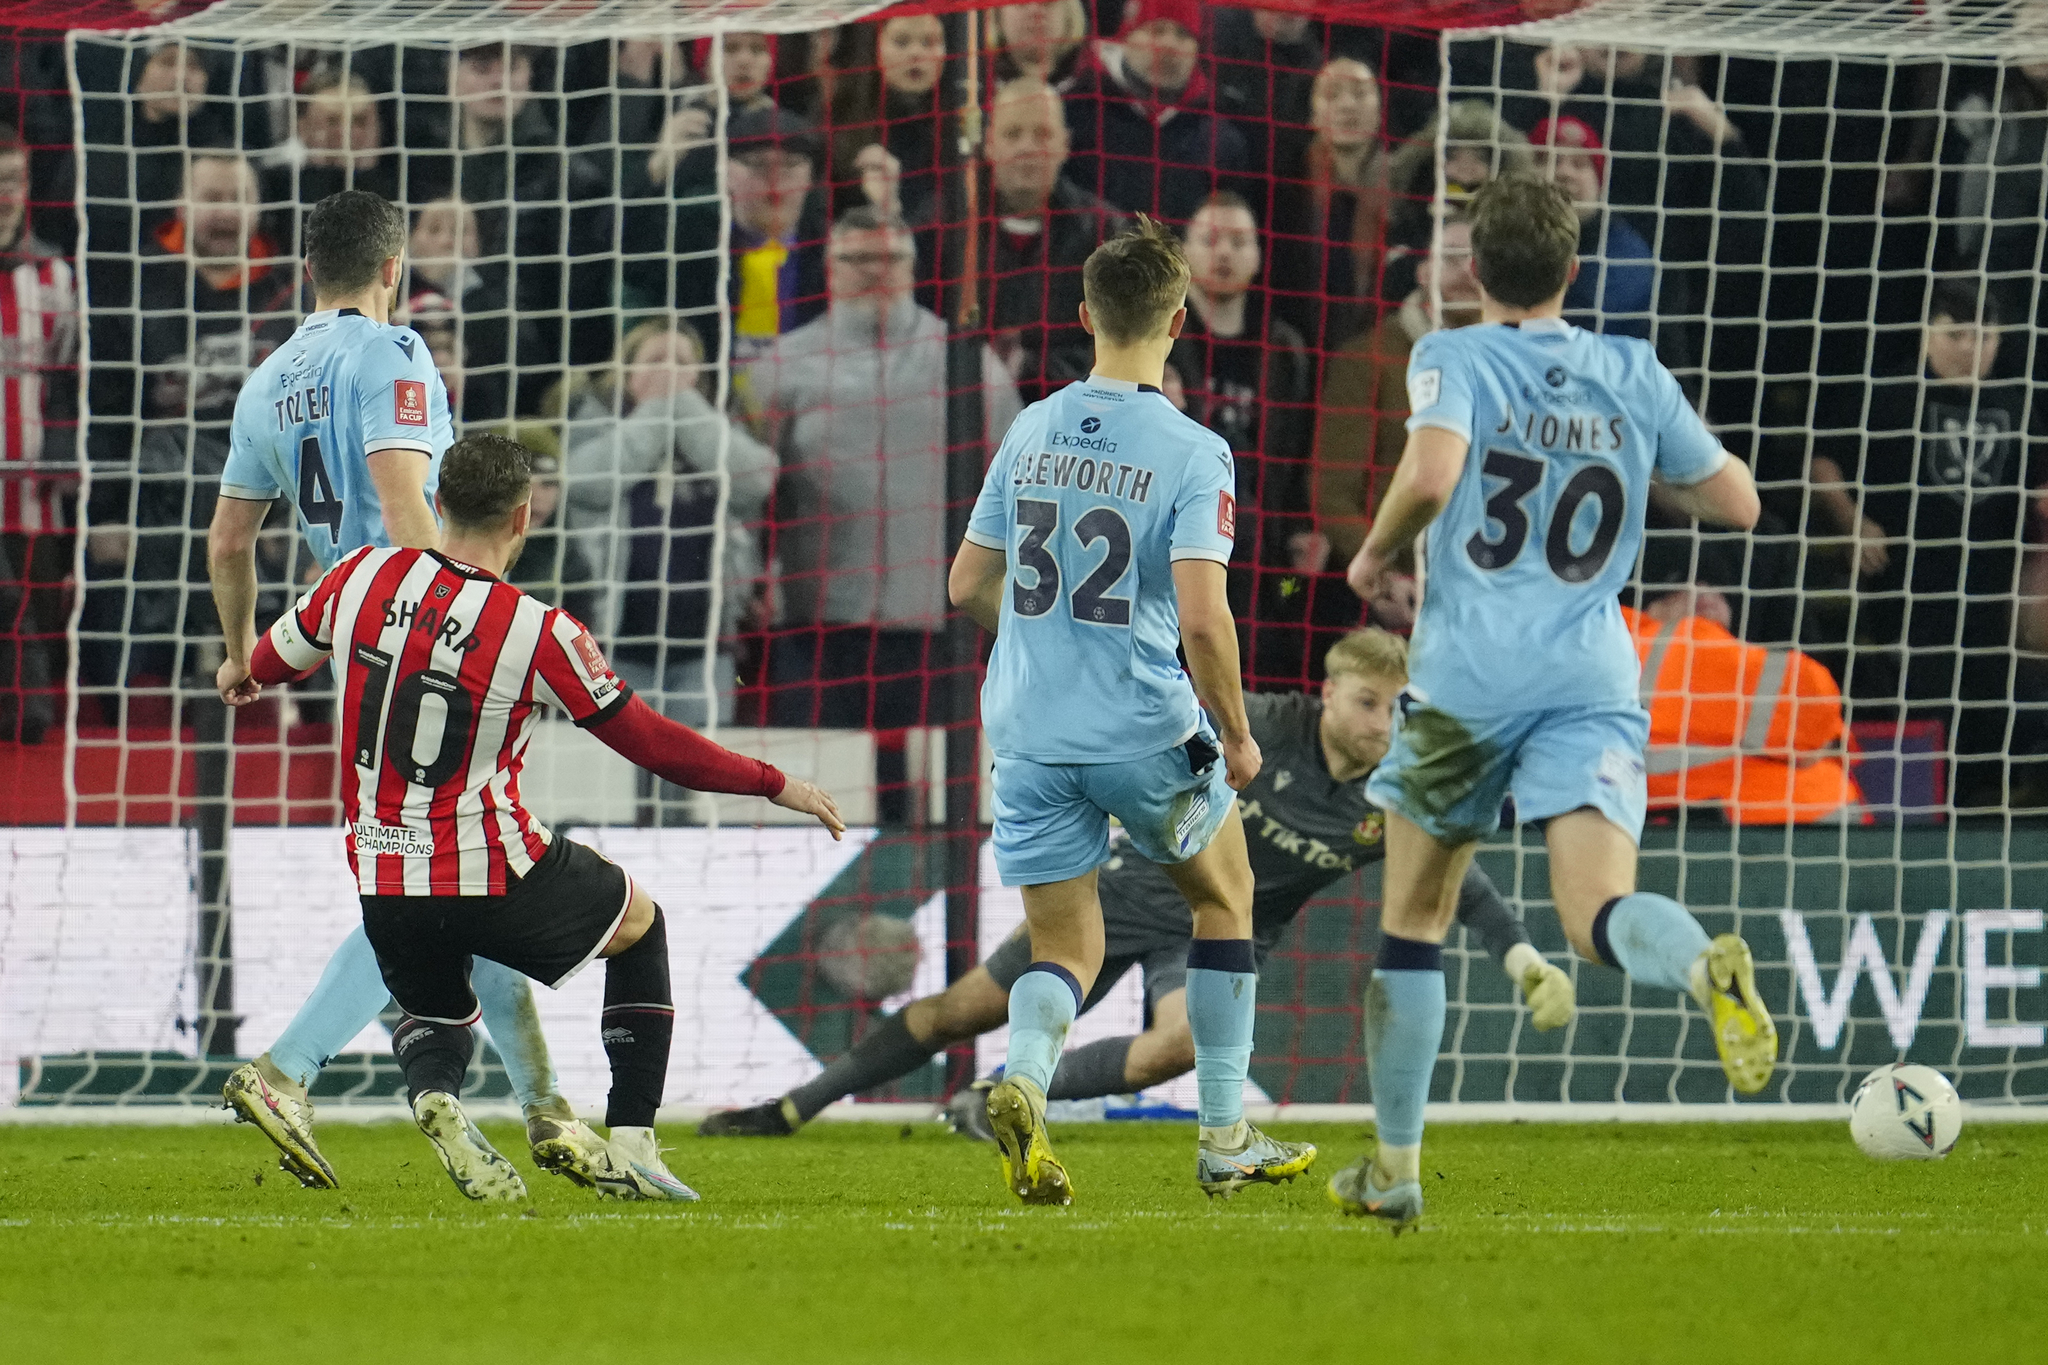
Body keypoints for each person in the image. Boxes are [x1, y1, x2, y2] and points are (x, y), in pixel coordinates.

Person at [229, 433, 845, 1202]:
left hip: (381, 872)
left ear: (437, 503)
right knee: (640, 924)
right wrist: (772, 781)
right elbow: (651, 741)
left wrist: (239, 668)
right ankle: (633, 1144)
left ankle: (445, 1099)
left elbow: (269, 662)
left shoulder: (359, 574)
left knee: (440, 1002)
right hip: (490, 867)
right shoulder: (537, 629)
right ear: (524, 518)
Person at [1337, 175, 1772, 1231]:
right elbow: (1737, 502)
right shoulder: (1628, 367)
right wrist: (1630, 456)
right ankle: (1697, 962)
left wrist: (1374, 550)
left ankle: (1394, 1169)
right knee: (1593, 919)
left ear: (1472, 271)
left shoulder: (1450, 354)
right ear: (1574, 273)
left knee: (1412, 924)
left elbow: (1434, 475)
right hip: (1590, 678)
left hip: (1467, 685)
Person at [698, 629, 1575, 1139]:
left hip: (1219, 936)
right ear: (1330, 693)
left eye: (1395, 706)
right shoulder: (1263, 725)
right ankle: (789, 1108)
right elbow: (1166, 738)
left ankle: (991, 1096)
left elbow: (1459, 886)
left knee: (1180, 1046)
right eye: (1365, 701)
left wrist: (1526, 957)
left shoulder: (1393, 797)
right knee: (956, 1009)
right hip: (1127, 894)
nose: (1381, 722)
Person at [204, 190, 576, 1193]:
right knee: (439, 883)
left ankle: (549, 1113)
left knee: (462, 871)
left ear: (306, 272)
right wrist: (463, 619)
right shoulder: (394, 353)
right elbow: (409, 500)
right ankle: (287, 1070)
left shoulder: (268, 380)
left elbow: (229, 543)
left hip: (356, 634)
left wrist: (241, 654)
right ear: (393, 269)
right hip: (425, 635)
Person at [944, 216, 1313, 1204]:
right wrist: (1234, 735)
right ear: (1179, 322)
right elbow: (1202, 618)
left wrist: (1038, 641)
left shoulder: (1029, 426)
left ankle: (1022, 1080)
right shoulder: (1194, 450)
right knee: (1224, 894)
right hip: (1142, 729)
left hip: (1024, 727)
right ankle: (1224, 1136)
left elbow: (966, 582)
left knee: (1064, 946)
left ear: (1082, 317)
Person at [752, 207, 1020, 793]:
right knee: (815, 794)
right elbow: (750, 493)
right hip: (814, 628)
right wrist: (757, 576)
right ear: (828, 268)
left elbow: (1012, 485)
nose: (877, 271)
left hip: (933, 627)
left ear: (914, 266)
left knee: (929, 799)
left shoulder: (967, 362)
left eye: (891, 259)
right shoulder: (781, 367)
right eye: (858, 259)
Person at [1808, 277, 2048, 806]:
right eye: (1957, 333)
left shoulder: (2020, 403)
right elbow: (1823, 461)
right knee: (1927, 710)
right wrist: (1851, 520)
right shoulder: (1891, 395)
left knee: (1998, 713)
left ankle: (1992, 806)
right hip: (1911, 589)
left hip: (1995, 592)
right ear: (1928, 334)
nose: (1971, 348)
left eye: (1984, 336)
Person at [563, 318, 777, 735]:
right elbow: (584, 483)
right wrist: (660, 412)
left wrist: (686, 411)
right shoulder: (592, 424)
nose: (670, 371)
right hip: (614, 642)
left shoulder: (720, 428)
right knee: (621, 771)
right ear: (626, 373)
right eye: (656, 359)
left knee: (696, 777)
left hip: (706, 647)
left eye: (682, 361)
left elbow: (757, 478)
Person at [1171, 193, 1315, 685]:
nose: (1224, 253)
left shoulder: (1283, 348)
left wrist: (1299, 526)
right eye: (1210, 240)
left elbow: (1294, 453)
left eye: (1238, 241)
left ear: (1258, 253)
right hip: (1177, 542)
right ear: (1185, 251)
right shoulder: (1157, 341)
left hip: (1259, 550)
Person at [920, 77, 1127, 403]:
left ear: (1065, 144)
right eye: (1013, 134)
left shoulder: (1106, 233)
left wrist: (1027, 367)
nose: (1027, 147)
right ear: (988, 144)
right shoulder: (941, 226)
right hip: (960, 412)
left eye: (1042, 134)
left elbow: (1123, 346)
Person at [1312, 209, 1481, 575]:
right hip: (1394, 582)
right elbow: (1333, 491)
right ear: (1422, 273)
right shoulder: (1365, 360)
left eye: (1478, 261)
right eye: (1451, 258)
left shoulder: (1512, 367)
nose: (1467, 272)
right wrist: (1384, 574)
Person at [0, 123, 78, 744]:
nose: (3, 193)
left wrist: (59, 451)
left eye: (12, 180)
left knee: (36, 614)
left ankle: (34, 725)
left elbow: (75, 380)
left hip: (33, 493)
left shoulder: (55, 276)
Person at [1063, 0, 1252, 224]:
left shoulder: (1223, 140)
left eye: (1183, 34)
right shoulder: (1077, 110)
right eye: (1156, 29)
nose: (1169, 44)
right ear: (1127, 37)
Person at [1268, 55, 1389, 350]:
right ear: (1312, 114)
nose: (1348, 105)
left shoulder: (1409, 191)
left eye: (1360, 94)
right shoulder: (1284, 191)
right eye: (1333, 95)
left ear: (1380, 111)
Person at [1529, 115, 1653, 340]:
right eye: (1551, 161)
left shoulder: (1624, 252)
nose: (1565, 174)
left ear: (1599, 184)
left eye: (1579, 164)